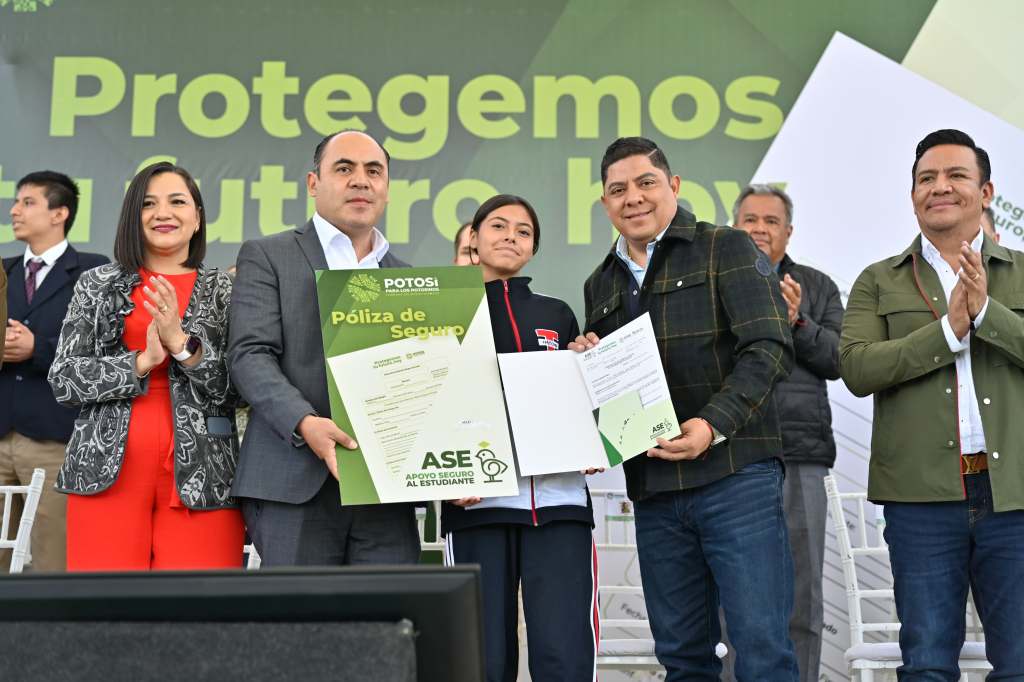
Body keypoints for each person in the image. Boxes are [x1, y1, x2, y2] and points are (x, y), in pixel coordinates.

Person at [570, 137, 797, 680]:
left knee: (763, 650)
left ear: (673, 186)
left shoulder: (728, 247)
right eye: (617, 190)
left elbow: (769, 347)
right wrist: (585, 365)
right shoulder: (599, 283)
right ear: (605, 204)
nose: (633, 198)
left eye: (646, 183)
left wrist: (711, 425)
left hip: (735, 477)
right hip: (654, 493)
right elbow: (612, 385)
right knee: (681, 657)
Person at [840, 129, 1024, 678]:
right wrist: (949, 330)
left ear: (986, 192)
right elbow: (857, 368)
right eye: (926, 178)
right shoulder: (877, 280)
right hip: (920, 498)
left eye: (956, 176)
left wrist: (987, 314)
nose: (939, 187)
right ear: (913, 193)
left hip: (1013, 496)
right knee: (926, 666)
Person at [229, 130, 419, 566]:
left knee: (386, 628)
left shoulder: (405, 275)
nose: (361, 181)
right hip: (294, 482)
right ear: (314, 183)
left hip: (384, 490)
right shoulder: (268, 255)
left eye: (374, 171)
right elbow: (249, 355)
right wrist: (305, 423)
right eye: (344, 168)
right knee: (300, 629)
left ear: (387, 188)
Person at [47, 162, 242, 570]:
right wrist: (141, 362)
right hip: (105, 473)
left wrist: (182, 346)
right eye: (148, 204)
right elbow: (64, 380)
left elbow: (238, 389)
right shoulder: (96, 284)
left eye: (177, 201)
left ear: (197, 216)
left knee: (200, 614)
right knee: (105, 611)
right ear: (133, 217)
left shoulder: (227, 290)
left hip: (203, 474)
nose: (163, 213)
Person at [442, 194, 599, 682]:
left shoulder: (557, 314)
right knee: (481, 657)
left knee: (564, 652)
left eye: (524, 231)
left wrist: (589, 366)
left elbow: (584, 404)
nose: (511, 236)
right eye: (499, 226)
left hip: (559, 505)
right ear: (473, 238)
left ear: (533, 249)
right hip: (476, 505)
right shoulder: (441, 311)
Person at [733, 184, 843, 682]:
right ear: (735, 227)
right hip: (731, 456)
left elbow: (840, 360)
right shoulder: (715, 280)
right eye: (750, 220)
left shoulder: (816, 286)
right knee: (736, 594)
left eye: (770, 221)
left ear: (788, 231)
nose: (759, 229)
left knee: (802, 595)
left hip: (799, 452)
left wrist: (798, 319)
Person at [1, 171, 108, 572]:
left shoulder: (92, 273)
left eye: (28, 202)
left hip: (52, 437)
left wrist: (38, 348)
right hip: (1, 427)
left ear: (59, 212)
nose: (14, 210)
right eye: (16, 201)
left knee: (52, 557)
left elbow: (102, 349)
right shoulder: (4, 271)